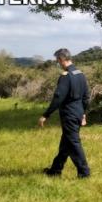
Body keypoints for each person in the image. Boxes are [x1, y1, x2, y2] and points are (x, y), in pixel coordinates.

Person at [39, 48, 91, 178]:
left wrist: (46, 114)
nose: (58, 63)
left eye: (58, 61)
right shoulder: (80, 74)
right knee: (66, 143)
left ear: (62, 60)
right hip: (78, 112)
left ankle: (84, 173)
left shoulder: (66, 76)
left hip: (69, 114)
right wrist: (83, 113)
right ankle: (55, 170)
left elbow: (58, 97)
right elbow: (86, 96)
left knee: (73, 143)